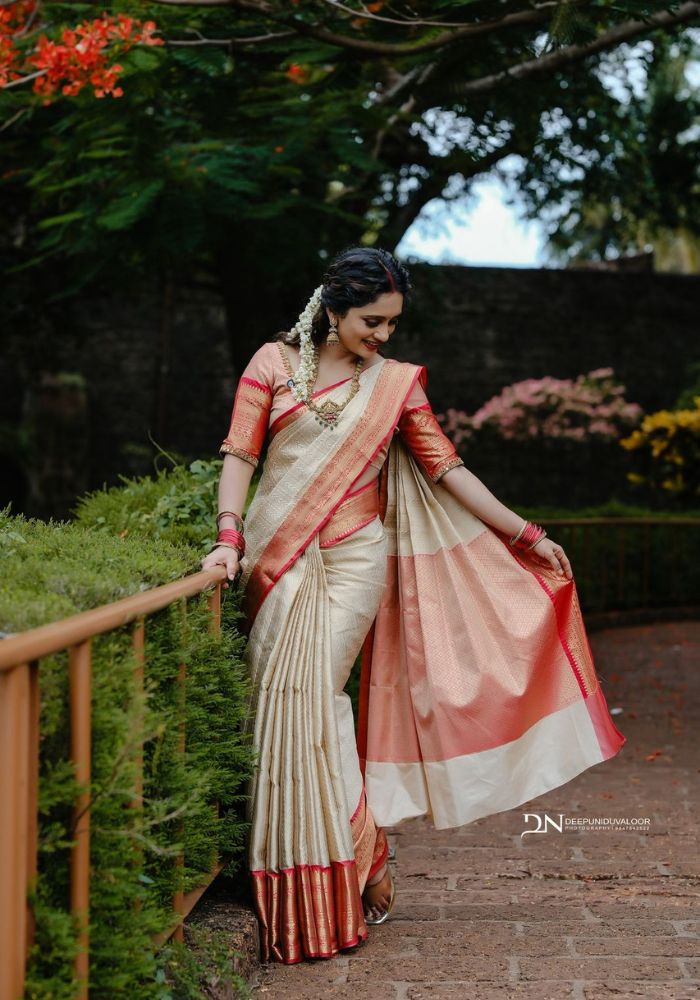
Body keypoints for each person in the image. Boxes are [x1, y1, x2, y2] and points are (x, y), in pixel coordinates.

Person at [201, 246, 626, 965]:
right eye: (373, 321)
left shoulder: (395, 386)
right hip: (277, 555)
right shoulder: (273, 364)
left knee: (313, 696)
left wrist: (525, 533)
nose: (384, 335)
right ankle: (353, 853)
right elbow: (240, 455)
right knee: (276, 702)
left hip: (356, 558)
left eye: (393, 324)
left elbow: (449, 469)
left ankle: (348, 855)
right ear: (333, 308)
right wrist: (228, 538)